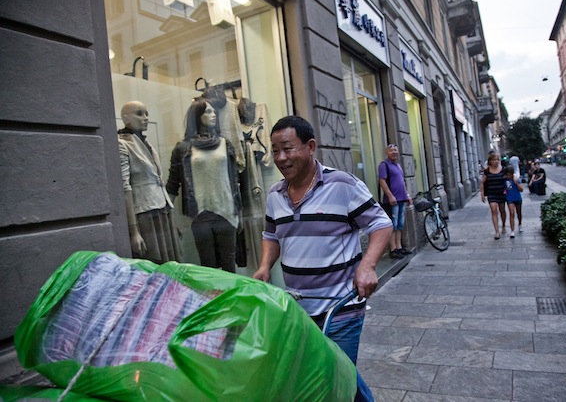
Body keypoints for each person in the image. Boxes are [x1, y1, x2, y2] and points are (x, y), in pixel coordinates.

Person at [252, 116, 392, 402]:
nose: (281, 158)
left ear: (310, 146)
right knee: (336, 376)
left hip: (339, 309)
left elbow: (381, 223)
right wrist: (265, 266)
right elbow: (271, 235)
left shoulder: (342, 185)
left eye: (288, 148)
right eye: (275, 150)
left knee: (333, 379)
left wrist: (368, 265)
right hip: (298, 310)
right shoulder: (274, 194)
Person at [166, 97, 241, 273]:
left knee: (229, 266)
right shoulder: (183, 148)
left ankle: (231, 300)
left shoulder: (225, 143)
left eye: (214, 111)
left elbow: (235, 180)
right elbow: (172, 184)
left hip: (227, 211)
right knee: (208, 267)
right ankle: (214, 299)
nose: (213, 114)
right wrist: (169, 219)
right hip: (200, 214)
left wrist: (241, 211)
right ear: (197, 115)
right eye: (208, 111)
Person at [118, 101, 182, 264]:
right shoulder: (122, 144)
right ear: (125, 118)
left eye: (147, 114)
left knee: (171, 264)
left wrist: (172, 222)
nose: (145, 118)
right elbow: (125, 188)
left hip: (162, 210)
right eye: (139, 114)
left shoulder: (146, 143)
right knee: (155, 264)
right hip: (145, 215)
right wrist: (134, 232)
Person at [378, 143, 412, 259]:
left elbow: (402, 182)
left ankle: (399, 247)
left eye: (395, 150)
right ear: (387, 152)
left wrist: (407, 195)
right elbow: (382, 181)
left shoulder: (398, 166)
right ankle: (393, 249)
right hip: (392, 200)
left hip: (402, 199)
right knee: (393, 224)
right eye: (391, 150)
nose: (394, 152)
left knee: (400, 224)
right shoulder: (384, 165)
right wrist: (390, 196)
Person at [480, 152, 506, 239]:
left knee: (502, 211)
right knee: (494, 210)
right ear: (490, 161)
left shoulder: (503, 169)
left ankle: (503, 225)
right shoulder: (487, 171)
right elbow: (482, 183)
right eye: (493, 160)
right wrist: (482, 194)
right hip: (491, 193)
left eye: (497, 160)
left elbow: (507, 181)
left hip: (501, 193)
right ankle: (497, 232)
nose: (495, 161)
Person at [503, 165, 523, 237]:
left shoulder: (516, 179)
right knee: (511, 213)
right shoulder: (504, 180)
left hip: (517, 198)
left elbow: (521, 189)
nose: (508, 176)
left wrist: (516, 182)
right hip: (509, 198)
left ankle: (520, 224)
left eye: (510, 174)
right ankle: (512, 230)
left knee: (519, 213)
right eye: (507, 174)